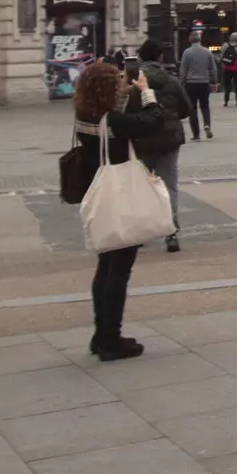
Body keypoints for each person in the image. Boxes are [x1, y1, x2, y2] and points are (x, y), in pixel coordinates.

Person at [72, 62, 168, 360]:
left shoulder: (85, 115)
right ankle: (111, 339)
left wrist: (127, 91)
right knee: (119, 270)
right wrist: (147, 92)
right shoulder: (113, 120)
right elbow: (153, 120)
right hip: (121, 196)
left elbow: (117, 120)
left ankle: (101, 334)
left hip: (98, 191)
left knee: (105, 266)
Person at [133, 40, 191, 251]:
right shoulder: (172, 81)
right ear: (160, 57)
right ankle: (171, 233)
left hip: (143, 139)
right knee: (169, 186)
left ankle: (140, 231)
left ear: (140, 57)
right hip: (169, 138)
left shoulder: (134, 81)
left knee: (141, 185)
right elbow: (186, 108)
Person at [177, 31, 216, 140]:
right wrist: (213, 81)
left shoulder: (187, 52)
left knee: (192, 108)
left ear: (190, 40)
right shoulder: (207, 52)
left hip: (191, 83)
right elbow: (213, 68)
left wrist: (181, 82)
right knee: (205, 105)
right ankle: (207, 124)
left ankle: (196, 134)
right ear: (200, 39)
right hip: (204, 82)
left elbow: (183, 70)